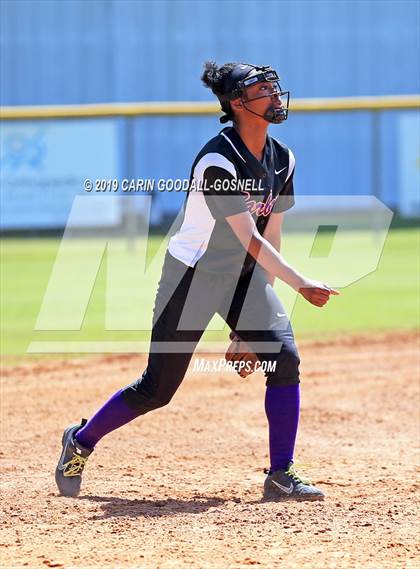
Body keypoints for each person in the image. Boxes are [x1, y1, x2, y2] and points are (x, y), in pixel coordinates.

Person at [55, 61, 339, 501]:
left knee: (283, 358)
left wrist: (250, 323)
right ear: (237, 103)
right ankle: (81, 440)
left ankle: (281, 473)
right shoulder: (217, 161)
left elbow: (271, 236)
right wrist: (302, 282)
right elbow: (247, 239)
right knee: (158, 388)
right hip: (192, 276)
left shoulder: (282, 159)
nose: (275, 95)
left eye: (273, 87)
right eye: (262, 89)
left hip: (244, 275)